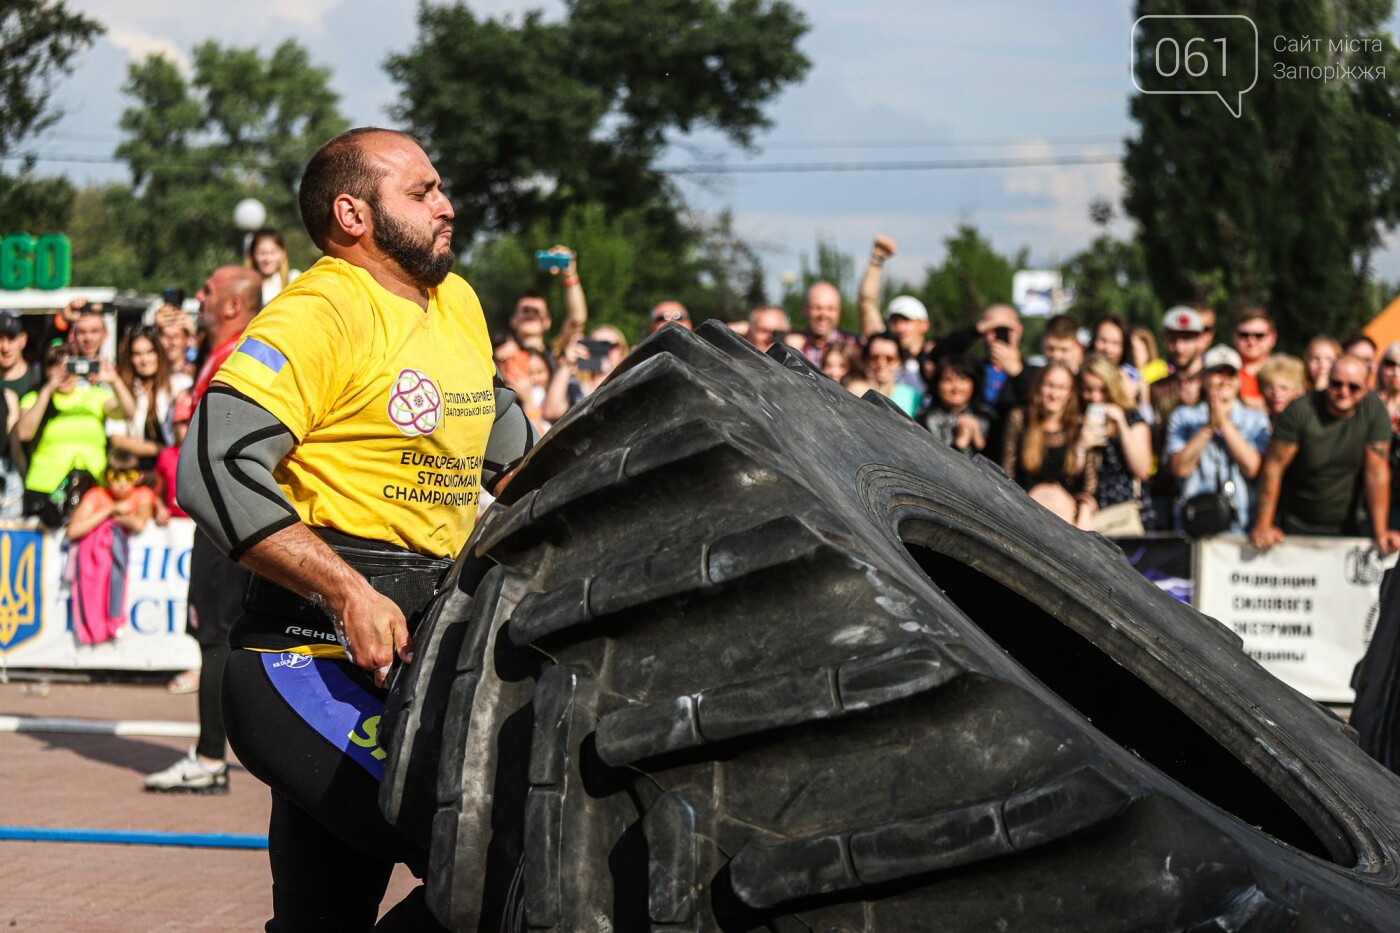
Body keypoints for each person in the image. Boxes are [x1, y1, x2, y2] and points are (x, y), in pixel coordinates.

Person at [176, 127, 537, 928]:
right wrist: (345, 590)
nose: (447, 205)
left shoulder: (459, 303)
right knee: (494, 862)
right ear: (353, 214)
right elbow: (212, 465)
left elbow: (519, 462)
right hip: (305, 661)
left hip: (421, 656)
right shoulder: (319, 311)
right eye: (422, 192)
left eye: (440, 187)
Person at [143, 265, 263, 796]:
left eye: (208, 291)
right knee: (221, 635)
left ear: (232, 306)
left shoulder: (239, 353)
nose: (198, 295)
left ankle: (211, 758)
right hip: (228, 511)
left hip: (225, 513)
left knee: (216, 635)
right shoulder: (221, 352)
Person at [1250, 355, 1400, 554]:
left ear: (1365, 388)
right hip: (1297, 519)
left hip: (1349, 522)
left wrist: (1380, 531)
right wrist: (1264, 524)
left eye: (1353, 387)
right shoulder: (1301, 410)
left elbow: (1377, 471)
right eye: (1336, 384)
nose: (1343, 392)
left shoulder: (1374, 410)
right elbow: (1273, 467)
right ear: (1326, 383)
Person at [15, 343, 135, 526]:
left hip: (91, 488)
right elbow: (24, 433)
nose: (63, 373)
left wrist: (114, 380)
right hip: (44, 487)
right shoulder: (34, 398)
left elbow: (128, 411)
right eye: (56, 366)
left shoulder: (95, 396)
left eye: (68, 365)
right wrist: (48, 390)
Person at [1165, 346, 1270, 536]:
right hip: (1193, 525)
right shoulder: (1182, 417)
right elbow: (1180, 468)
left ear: (1238, 381)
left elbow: (1252, 468)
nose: (1224, 380)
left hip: (1241, 526)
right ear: (1203, 379)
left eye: (1230, 374)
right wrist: (1208, 428)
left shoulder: (1256, 420)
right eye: (1217, 374)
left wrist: (1225, 425)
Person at [65, 448, 155, 645]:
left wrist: (110, 517)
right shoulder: (97, 495)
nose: (122, 484)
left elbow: (139, 524)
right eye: (116, 476)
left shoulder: (143, 494)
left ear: (138, 477)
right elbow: (73, 530)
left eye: (128, 477)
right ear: (106, 477)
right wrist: (110, 510)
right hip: (96, 571)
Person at [1001, 360, 1097, 529]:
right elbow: (1007, 473)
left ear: (1070, 393)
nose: (1054, 394)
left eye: (1061, 388)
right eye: (1049, 386)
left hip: (1067, 520)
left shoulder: (1079, 427)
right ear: (1038, 386)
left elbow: (1088, 487)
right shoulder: (1020, 419)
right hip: (1025, 515)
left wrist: (1083, 512)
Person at [1079, 353, 1154, 532]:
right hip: (1088, 518)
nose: (1095, 397)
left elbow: (1143, 470)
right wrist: (1081, 445)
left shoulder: (1131, 418)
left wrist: (1121, 424)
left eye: (1102, 390)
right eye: (1088, 389)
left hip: (1125, 515)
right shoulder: (1076, 420)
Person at [109, 325, 193, 474]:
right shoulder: (122, 388)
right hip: (136, 471)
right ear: (129, 358)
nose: (145, 360)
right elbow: (118, 439)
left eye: (150, 352)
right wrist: (162, 449)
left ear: (159, 353)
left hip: (175, 469)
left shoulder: (181, 384)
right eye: (137, 354)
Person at [918, 354, 992, 455]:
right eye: (948, 380)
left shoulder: (988, 417)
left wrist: (979, 439)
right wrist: (960, 443)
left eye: (963, 380)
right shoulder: (925, 420)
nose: (956, 388)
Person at [864, 331, 922, 416]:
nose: (881, 363)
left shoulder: (913, 398)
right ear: (866, 360)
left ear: (899, 361)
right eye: (875, 358)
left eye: (889, 359)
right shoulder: (855, 391)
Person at [1232, 309, 1277, 411]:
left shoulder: (1288, 372)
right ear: (1235, 337)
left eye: (1259, 336)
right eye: (1244, 335)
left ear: (1273, 338)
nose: (1251, 341)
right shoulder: (1224, 372)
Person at [246, 227, 302, 306]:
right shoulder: (245, 286)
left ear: (283, 253)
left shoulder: (293, 279)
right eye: (261, 253)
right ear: (252, 254)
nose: (267, 259)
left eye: (273, 253)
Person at [1257, 354, 1309, 428]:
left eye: (1284, 388)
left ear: (1297, 390)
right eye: (1269, 387)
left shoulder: (1306, 424)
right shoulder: (1254, 423)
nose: (1276, 393)